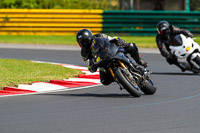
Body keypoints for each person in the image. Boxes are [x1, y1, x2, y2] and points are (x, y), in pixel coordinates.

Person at [76, 29, 148, 85]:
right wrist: (92, 67)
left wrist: (118, 40)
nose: (83, 44)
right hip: (102, 62)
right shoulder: (84, 53)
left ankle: (139, 60)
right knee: (104, 81)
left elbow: (110, 38)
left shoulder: (99, 36)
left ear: (89, 39)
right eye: (81, 42)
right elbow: (88, 64)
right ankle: (119, 78)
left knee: (131, 46)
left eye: (84, 41)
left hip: (111, 51)